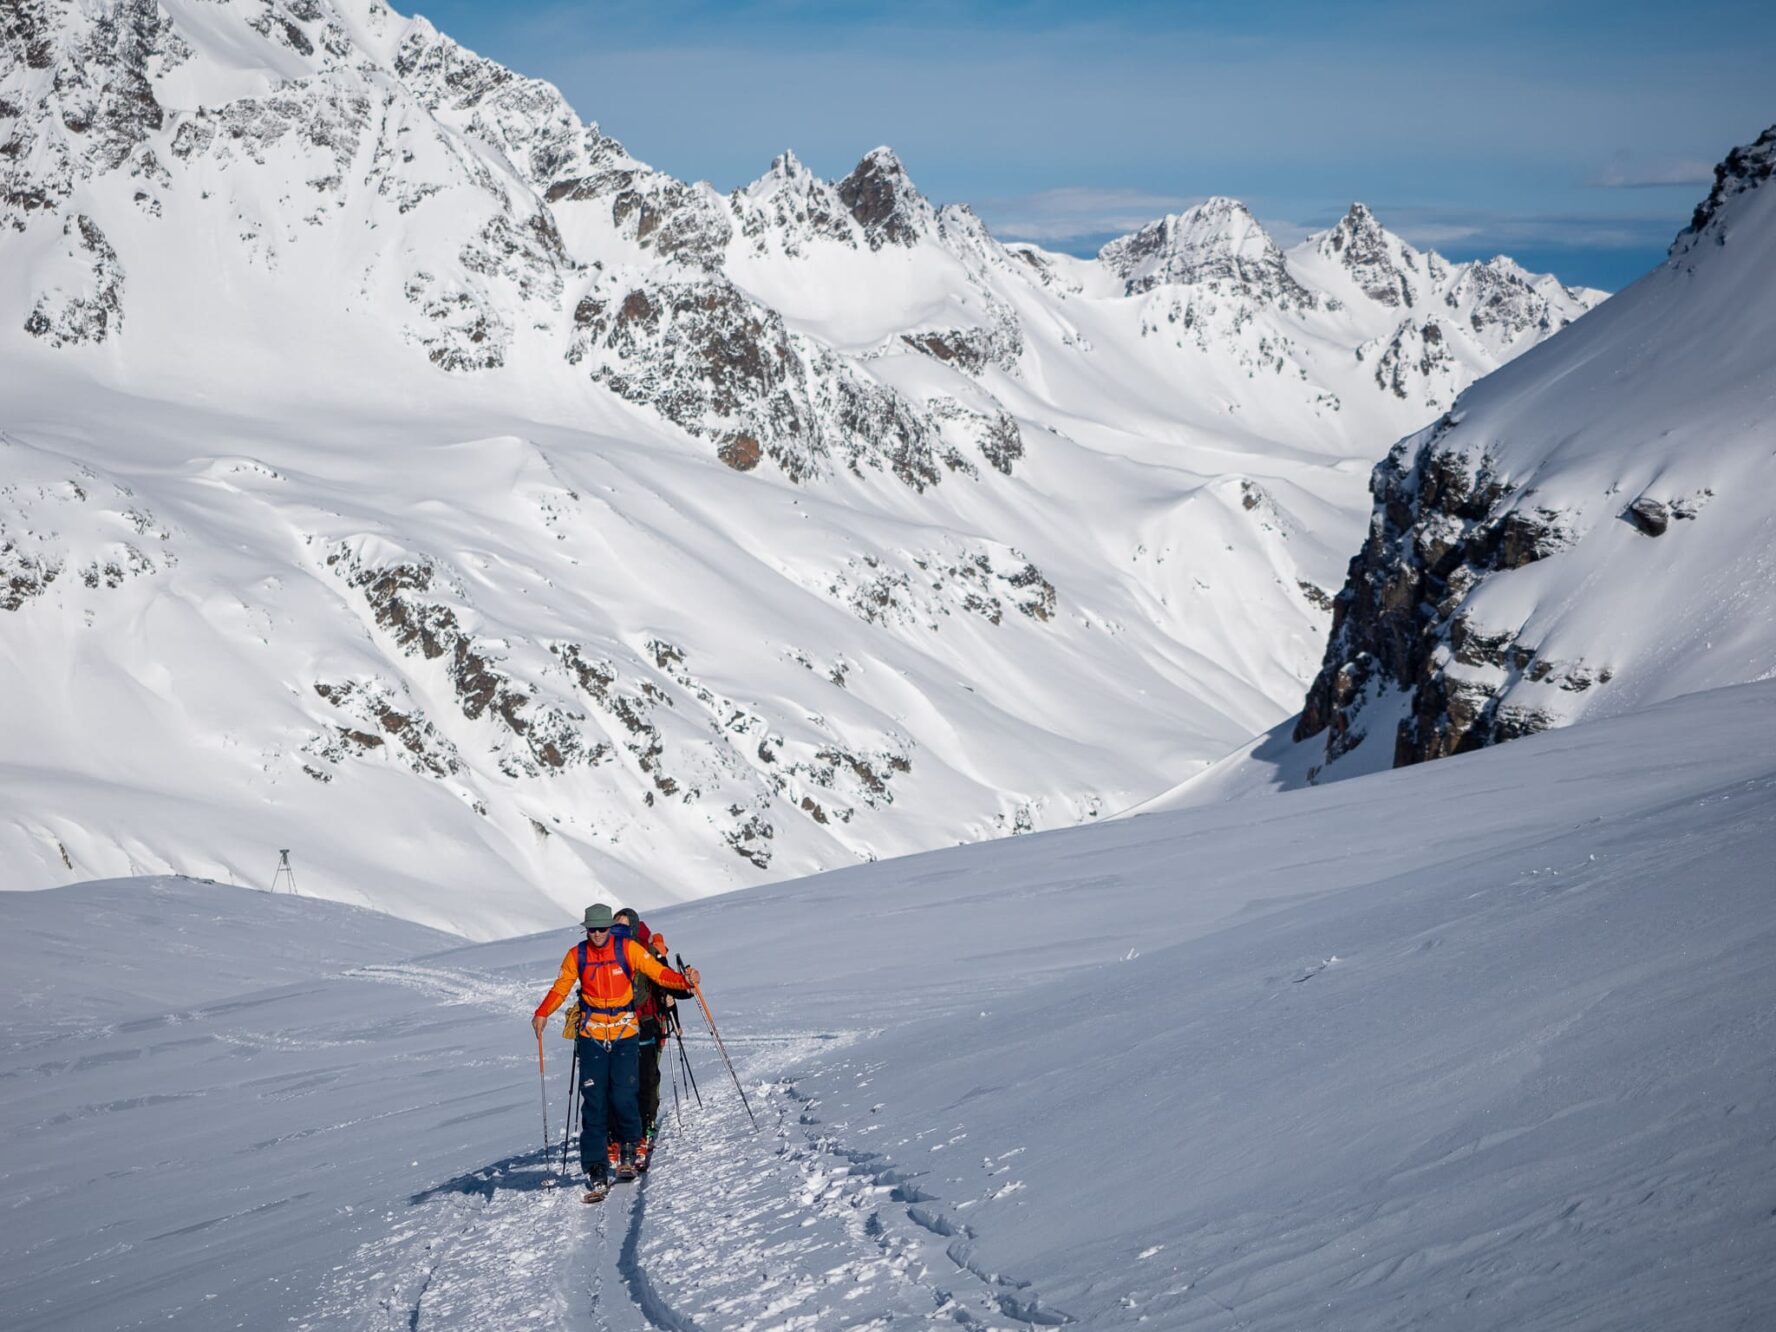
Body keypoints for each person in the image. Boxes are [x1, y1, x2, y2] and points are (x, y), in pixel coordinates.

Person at [532, 903, 698, 1200]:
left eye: (601, 928)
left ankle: (628, 1149)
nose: (597, 934)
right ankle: (596, 1167)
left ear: (609, 927)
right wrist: (542, 1012)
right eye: (591, 929)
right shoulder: (577, 955)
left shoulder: (628, 949)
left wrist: (685, 981)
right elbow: (561, 987)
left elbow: (659, 974)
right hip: (592, 1034)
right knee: (594, 1102)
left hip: (624, 1032)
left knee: (624, 1094)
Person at [605, 908, 685, 1170]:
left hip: (645, 1022)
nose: (619, 930)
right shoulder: (606, 953)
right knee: (616, 1082)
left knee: (645, 1077)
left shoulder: (645, 952)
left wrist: (681, 986)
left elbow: (664, 977)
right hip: (615, 1025)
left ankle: (642, 1129)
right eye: (616, 925)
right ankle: (617, 1135)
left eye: (624, 925)